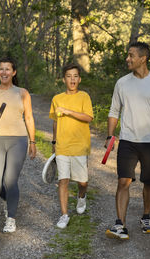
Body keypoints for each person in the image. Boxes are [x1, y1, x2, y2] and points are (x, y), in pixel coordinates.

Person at [104, 41, 150, 240]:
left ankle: (146, 216)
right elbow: (114, 111)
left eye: (131, 55)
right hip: (127, 140)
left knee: (149, 182)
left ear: (143, 58)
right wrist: (110, 135)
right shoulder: (122, 83)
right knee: (123, 182)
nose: (127, 59)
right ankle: (120, 224)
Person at [0, 57, 36, 233]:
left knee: (10, 180)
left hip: (18, 140)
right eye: (1, 69)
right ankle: (10, 200)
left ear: (13, 72)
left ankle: (11, 218)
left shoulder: (22, 93)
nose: (4, 72)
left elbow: (28, 117)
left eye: (7, 69)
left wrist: (33, 141)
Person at [49, 63, 93, 229]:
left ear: (79, 79)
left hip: (80, 146)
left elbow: (88, 117)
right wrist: (54, 142)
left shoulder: (84, 97)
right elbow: (55, 122)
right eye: (69, 76)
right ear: (64, 79)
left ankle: (82, 197)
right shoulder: (57, 99)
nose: (72, 79)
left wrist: (68, 111)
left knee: (82, 182)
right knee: (63, 180)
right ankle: (64, 215)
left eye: (75, 76)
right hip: (62, 146)